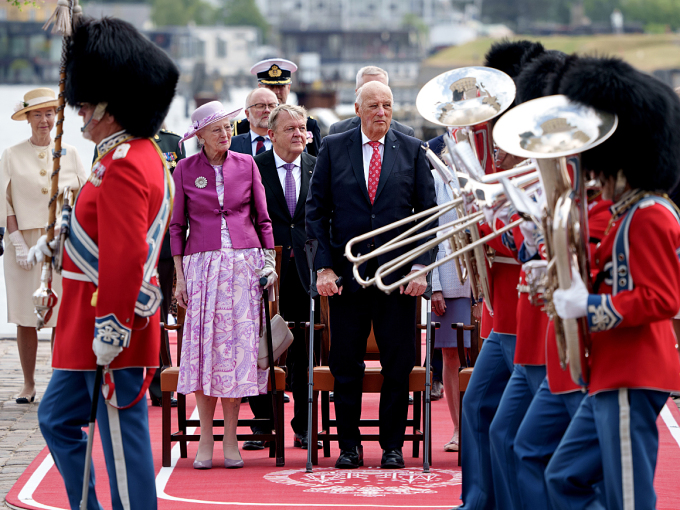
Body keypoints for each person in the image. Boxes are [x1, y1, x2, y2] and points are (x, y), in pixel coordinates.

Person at [36, 16, 178, 510]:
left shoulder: (124, 165)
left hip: (110, 325)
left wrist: (112, 324)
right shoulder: (127, 156)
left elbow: (125, 254)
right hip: (91, 323)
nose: (79, 112)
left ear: (109, 105)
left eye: (84, 103)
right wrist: (61, 245)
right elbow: (101, 237)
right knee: (56, 418)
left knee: (122, 444)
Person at [545, 57, 680, 510]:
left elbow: (662, 298)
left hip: (633, 370)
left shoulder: (649, 215)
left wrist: (589, 307)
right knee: (563, 477)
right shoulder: (627, 216)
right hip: (610, 370)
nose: (595, 175)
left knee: (628, 499)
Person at [306, 80, 436, 469]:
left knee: (399, 363)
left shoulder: (412, 150)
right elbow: (316, 212)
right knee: (346, 364)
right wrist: (324, 267)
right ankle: (350, 446)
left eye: (388, 105)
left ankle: (392, 446)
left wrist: (420, 266)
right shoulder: (333, 147)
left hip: (398, 280)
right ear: (358, 109)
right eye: (374, 106)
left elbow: (427, 215)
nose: (382, 112)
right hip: (346, 279)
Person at [453, 40, 547, 510]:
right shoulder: (487, 147)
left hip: (530, 313)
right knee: (480, 409)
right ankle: (478, 499)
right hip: (503, 311)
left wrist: (481, 219)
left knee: (516, 429)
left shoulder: (532, 159)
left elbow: (516, 239)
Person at [171, 100, 276, 470]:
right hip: (202, 267)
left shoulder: (246, 164)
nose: (225, 134)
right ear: (199, 134)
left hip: (244, 268)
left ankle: (231, 437)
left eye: (229, 128)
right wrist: (180, 276)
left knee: (237, 355)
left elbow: (263, 219)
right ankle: (205, 438)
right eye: (217, 129)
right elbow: (175, 227)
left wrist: (269, 262)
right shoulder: (185, 169)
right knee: (204, 355)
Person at [0, 87, 87, 404]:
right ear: (27, 118)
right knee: (26, 316)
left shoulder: (71, 153)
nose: (44, 120)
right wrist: (17, 241)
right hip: (23, 243)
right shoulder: (11, 153)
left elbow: (84, 200)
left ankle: (58, 383)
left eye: (49, 113)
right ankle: (27, 383)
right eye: (37, 114)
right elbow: (4, 202)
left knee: (62, 315)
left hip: (61, 244)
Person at [245, 104, 322, 450]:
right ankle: (263, 424)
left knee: (305, 348)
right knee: (262, 346)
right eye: (290, 128)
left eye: (302, 128)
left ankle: (304, 427)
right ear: (271, 134)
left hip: (306, 269)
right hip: (266, 270)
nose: (298, 134)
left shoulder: (318, 167)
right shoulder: (252, 168)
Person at [430, 169, 471, 452]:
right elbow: (429, 231)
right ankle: (458, 429)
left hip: (484, 280)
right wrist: (434, 286)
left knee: (483, 356)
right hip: (448, 277)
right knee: (450, 355)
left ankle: (479, 426)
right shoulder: (436, 176)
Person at [233, 58, 322, 156]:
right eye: (270, 87)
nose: (276, 92)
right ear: (260, 87)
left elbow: (315, 163)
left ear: (288, 88)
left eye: (281, 87)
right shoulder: (242, 128)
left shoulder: (307, 124)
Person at [329, 66, 415, 137]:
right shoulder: (338, 131)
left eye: (381, 88)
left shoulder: (405, 134)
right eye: (368, 88)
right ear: (357, 93)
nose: (375, 92)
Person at [230, 88, 278, 157]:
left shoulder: (286, 143)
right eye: (260, 106)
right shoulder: (232, 145)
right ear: (247, 114)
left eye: (271, 106)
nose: (267, 110)